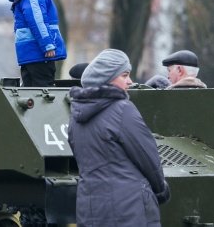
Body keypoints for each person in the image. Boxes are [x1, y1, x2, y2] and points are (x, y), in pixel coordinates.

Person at [68, 49, 171, 226]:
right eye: (124, 75)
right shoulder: (123, 109)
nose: (130, 81)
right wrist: (161, 190)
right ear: (107, 78)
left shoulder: (75, 117)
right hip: (130, 209)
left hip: (90, 208)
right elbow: (147, 157)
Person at [5, 0, 67, 87]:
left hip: (30, 54)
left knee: (30, 89)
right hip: (40, 53)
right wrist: (47, 44)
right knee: (44, 90)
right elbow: (37, 20)